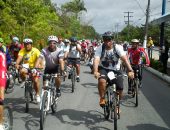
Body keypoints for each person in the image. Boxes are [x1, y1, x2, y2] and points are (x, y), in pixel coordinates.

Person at [93, 31, 134, 107]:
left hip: (116, 70)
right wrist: (95, 71)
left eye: (109, 39)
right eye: (105, 39)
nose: (107, 41)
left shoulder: (117, 47)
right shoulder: (100, 48)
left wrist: (130, 70)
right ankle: (102, 98)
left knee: (120, 88)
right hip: (104, 69)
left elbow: (125, 59)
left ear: (112, 40)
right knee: (101, 81)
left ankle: (117, 105)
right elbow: (96, 59)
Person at [15, 38, 41, 102]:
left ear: (31, 45)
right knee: (21, 71)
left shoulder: (36, 50)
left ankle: (37, 94)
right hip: (26, 67)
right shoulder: (22, 50)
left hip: (35, 67)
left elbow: (39, 58)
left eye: (28, 44)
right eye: (25, 44)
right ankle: (25, 80)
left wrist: (38, 66)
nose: (27, 46)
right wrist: (17, 64)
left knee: (35, 81)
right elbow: (19, 58)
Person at [0, 47, 7, 130]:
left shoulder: (1, 55)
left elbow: (2, 70)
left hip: (0, 77)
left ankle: (1, 123)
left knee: (0, 101)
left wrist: (1, 88)